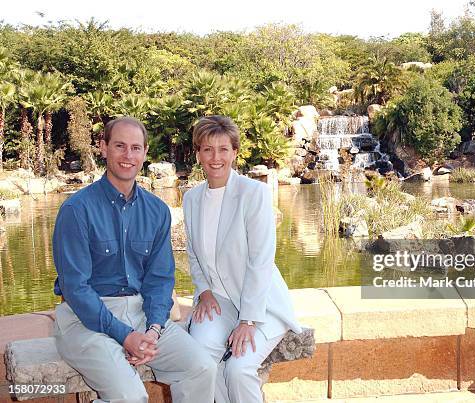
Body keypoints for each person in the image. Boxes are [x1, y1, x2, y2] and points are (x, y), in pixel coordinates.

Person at [52, 116, 217, 403]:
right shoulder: (76, 210)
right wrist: (124, 335)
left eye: (135, 148)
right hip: (85, 321)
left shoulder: (157, 211)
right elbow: (76, 289)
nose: (128, 156)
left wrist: (153, 328)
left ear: (145, 152)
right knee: (130, 396)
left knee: (201, 368)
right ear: (103, 148)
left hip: (142, 316)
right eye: (119, 146)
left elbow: (160, 279)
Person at [183, 115, 301, 403]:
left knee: (237, 369)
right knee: (199, 360)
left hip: (260, 306)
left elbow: (261, 261)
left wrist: (248, 320)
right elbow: (193, 254)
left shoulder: (254, 193)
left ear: (235, 153)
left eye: (224, 149)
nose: (216, 157)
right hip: (219, 303)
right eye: (208, 149)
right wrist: (205, 291)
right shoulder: (191, 199)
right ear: (198, 154)